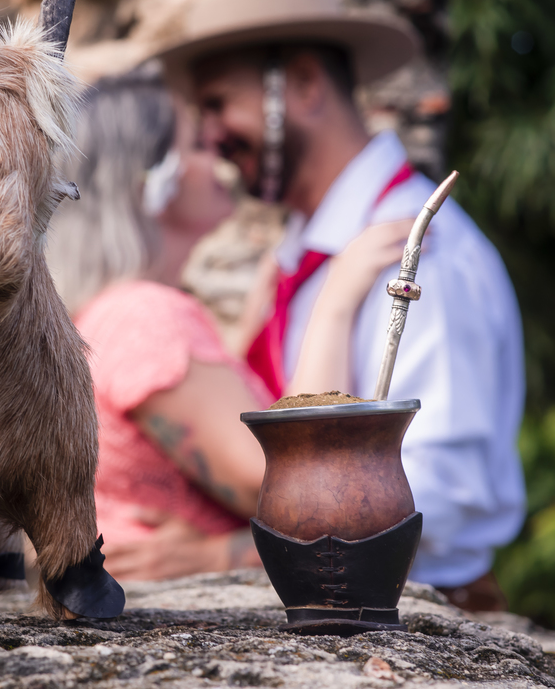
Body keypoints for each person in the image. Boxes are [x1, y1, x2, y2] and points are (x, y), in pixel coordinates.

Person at [153, 0, 526, 611]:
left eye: (217, 104)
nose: (211, 135)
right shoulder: (307, 254)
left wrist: (225, 556)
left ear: (302, 83)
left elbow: (446, 490)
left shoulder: (419, 255)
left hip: (413, 621)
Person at [46, 69, 412, 580]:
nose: (218, 153)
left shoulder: (113, 311)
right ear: (151, 184)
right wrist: (336, 299)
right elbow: (304, 495)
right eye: (197, 143)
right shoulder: (146, 319)